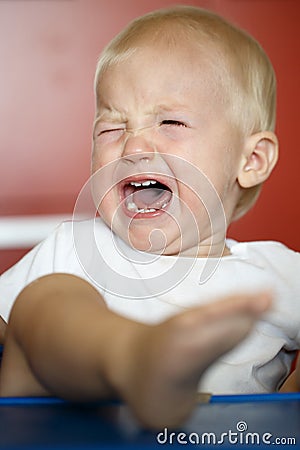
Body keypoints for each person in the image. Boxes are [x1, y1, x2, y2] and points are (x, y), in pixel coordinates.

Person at [0, 5, 299, 429]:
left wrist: (287, 408)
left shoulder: (282, 277)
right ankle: (133, 359)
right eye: (111, 128)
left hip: (225, 434)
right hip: (68, 427)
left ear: (251, 159)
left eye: (170, 121)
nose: (134, 146)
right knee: (47, 295)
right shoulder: (75, 248)